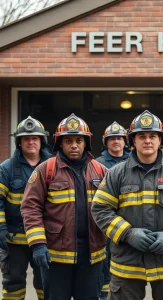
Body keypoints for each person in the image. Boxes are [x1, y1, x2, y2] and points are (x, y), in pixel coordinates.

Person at [91, 110, 163, 300]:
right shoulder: (116, 173)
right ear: (133, 141)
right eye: (141, 136)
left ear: (161, 140)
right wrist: (127, 234)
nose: (148, 140)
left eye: (153, 136)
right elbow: (101, 208)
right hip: (128, 263)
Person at [21, 113, 108, 300]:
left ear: (86, 142)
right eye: (68, 140)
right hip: (55, 257)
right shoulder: (46, 170)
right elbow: (30, 207)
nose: (74, 145)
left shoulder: (101, 171)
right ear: (60, 143)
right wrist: (37, 244)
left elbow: (113, 208)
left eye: (79, 140)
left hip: (92, 257)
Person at [0, 116, 52, 300]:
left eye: (35, 138)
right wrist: (1, 228)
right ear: (19, 143)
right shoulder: (6, 169)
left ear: (41, 141)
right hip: (14, 240)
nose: (31, 142)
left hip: (46, 238)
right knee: (13, 283)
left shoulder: (54, 166)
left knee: (47, 283)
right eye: (26, 138)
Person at [95, 121, 130, 300]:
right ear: (105, 142)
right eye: (112, 139)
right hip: (105, 225)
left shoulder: (135, 160)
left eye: (119, 138)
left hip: (129, 224)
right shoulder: (96, 164)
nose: (116, 141)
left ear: (125, 141)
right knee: (103, 263)